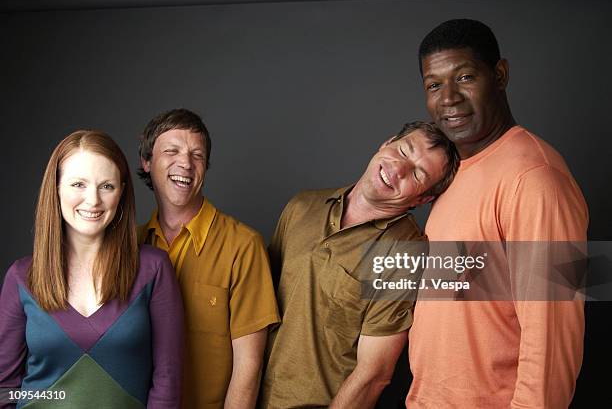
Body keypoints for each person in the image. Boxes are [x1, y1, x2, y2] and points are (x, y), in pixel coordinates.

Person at [406, 19, 588, 408]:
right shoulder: (455, 172)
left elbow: (553, 339)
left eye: (465, 76)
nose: (448, 98)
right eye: (434, 85)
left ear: (500, 75)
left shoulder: (535, 178)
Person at [260, 121, 459, 408]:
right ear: (387, 143)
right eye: (403, 151)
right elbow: (257, 307)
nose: (398, 169)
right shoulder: (302, 205)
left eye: (417, 174)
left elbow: (374, 373)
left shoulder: (405, 252)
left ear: (423, 198)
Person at [0, 130, 184, 409]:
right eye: (78, 184)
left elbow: (168, 379)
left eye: (106, 186)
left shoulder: (153, 269)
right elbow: (5, 388)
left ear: (121, 192)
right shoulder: (20, 277)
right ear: (56, 187)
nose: (93, 200)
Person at [137, 108, 280, 409]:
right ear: (147, 162)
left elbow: (248, 368)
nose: (185, 163)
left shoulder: (243, 245)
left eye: (197, 155)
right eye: (171, 151)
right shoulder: (129, 246)